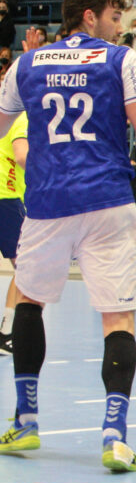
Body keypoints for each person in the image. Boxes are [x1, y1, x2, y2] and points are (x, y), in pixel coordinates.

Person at [0, 0, 136, 469]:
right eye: (115, 17)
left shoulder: (27, 63)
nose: (120, 27)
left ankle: (25, 422)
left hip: (48, 202)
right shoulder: (120, 59)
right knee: (118, 319)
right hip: (108, 202)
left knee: (29, 302)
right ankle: (114, 438)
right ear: (90, 16)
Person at [0, 112, 26, 355]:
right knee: (26, 267)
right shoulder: (21, 117)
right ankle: (6, 333)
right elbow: (22, 156)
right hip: (5, 198)